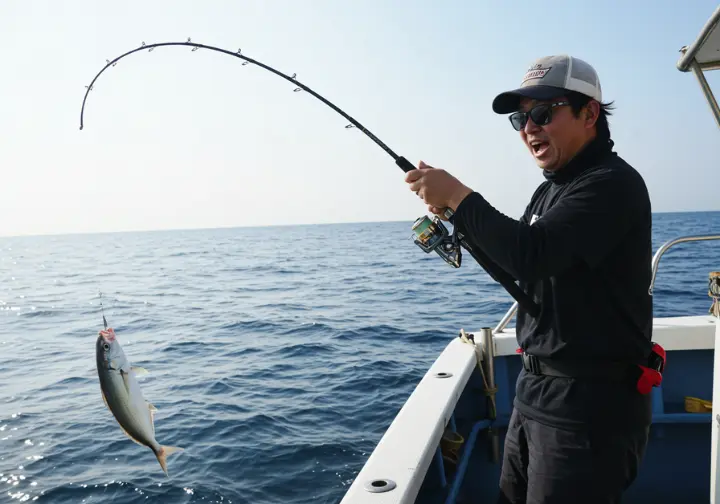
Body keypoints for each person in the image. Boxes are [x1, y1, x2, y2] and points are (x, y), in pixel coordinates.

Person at [405, 54, 654, 503]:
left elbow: (532, 254)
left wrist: (461, 198)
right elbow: (518, 269)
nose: (529, 128)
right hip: (536, 393)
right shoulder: (552, 189)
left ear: (590, 113)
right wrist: (457, 217)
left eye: (543, 113)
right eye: (521, 118)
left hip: (587, 409)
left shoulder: (612, 184)